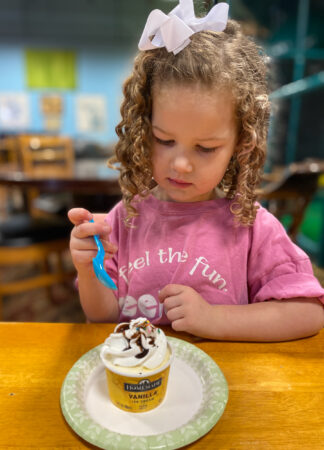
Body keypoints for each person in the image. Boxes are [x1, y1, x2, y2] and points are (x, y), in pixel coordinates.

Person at [68, 0, 324, 342]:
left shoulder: (250, 227)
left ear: (241, 144)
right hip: (142, 388)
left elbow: (307, 313)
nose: (181, 164)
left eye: (205, 148)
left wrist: (214, 319)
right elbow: (102, 315)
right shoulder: (124, 218)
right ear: (144, 130)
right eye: (164, 139)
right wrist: (88, 269)